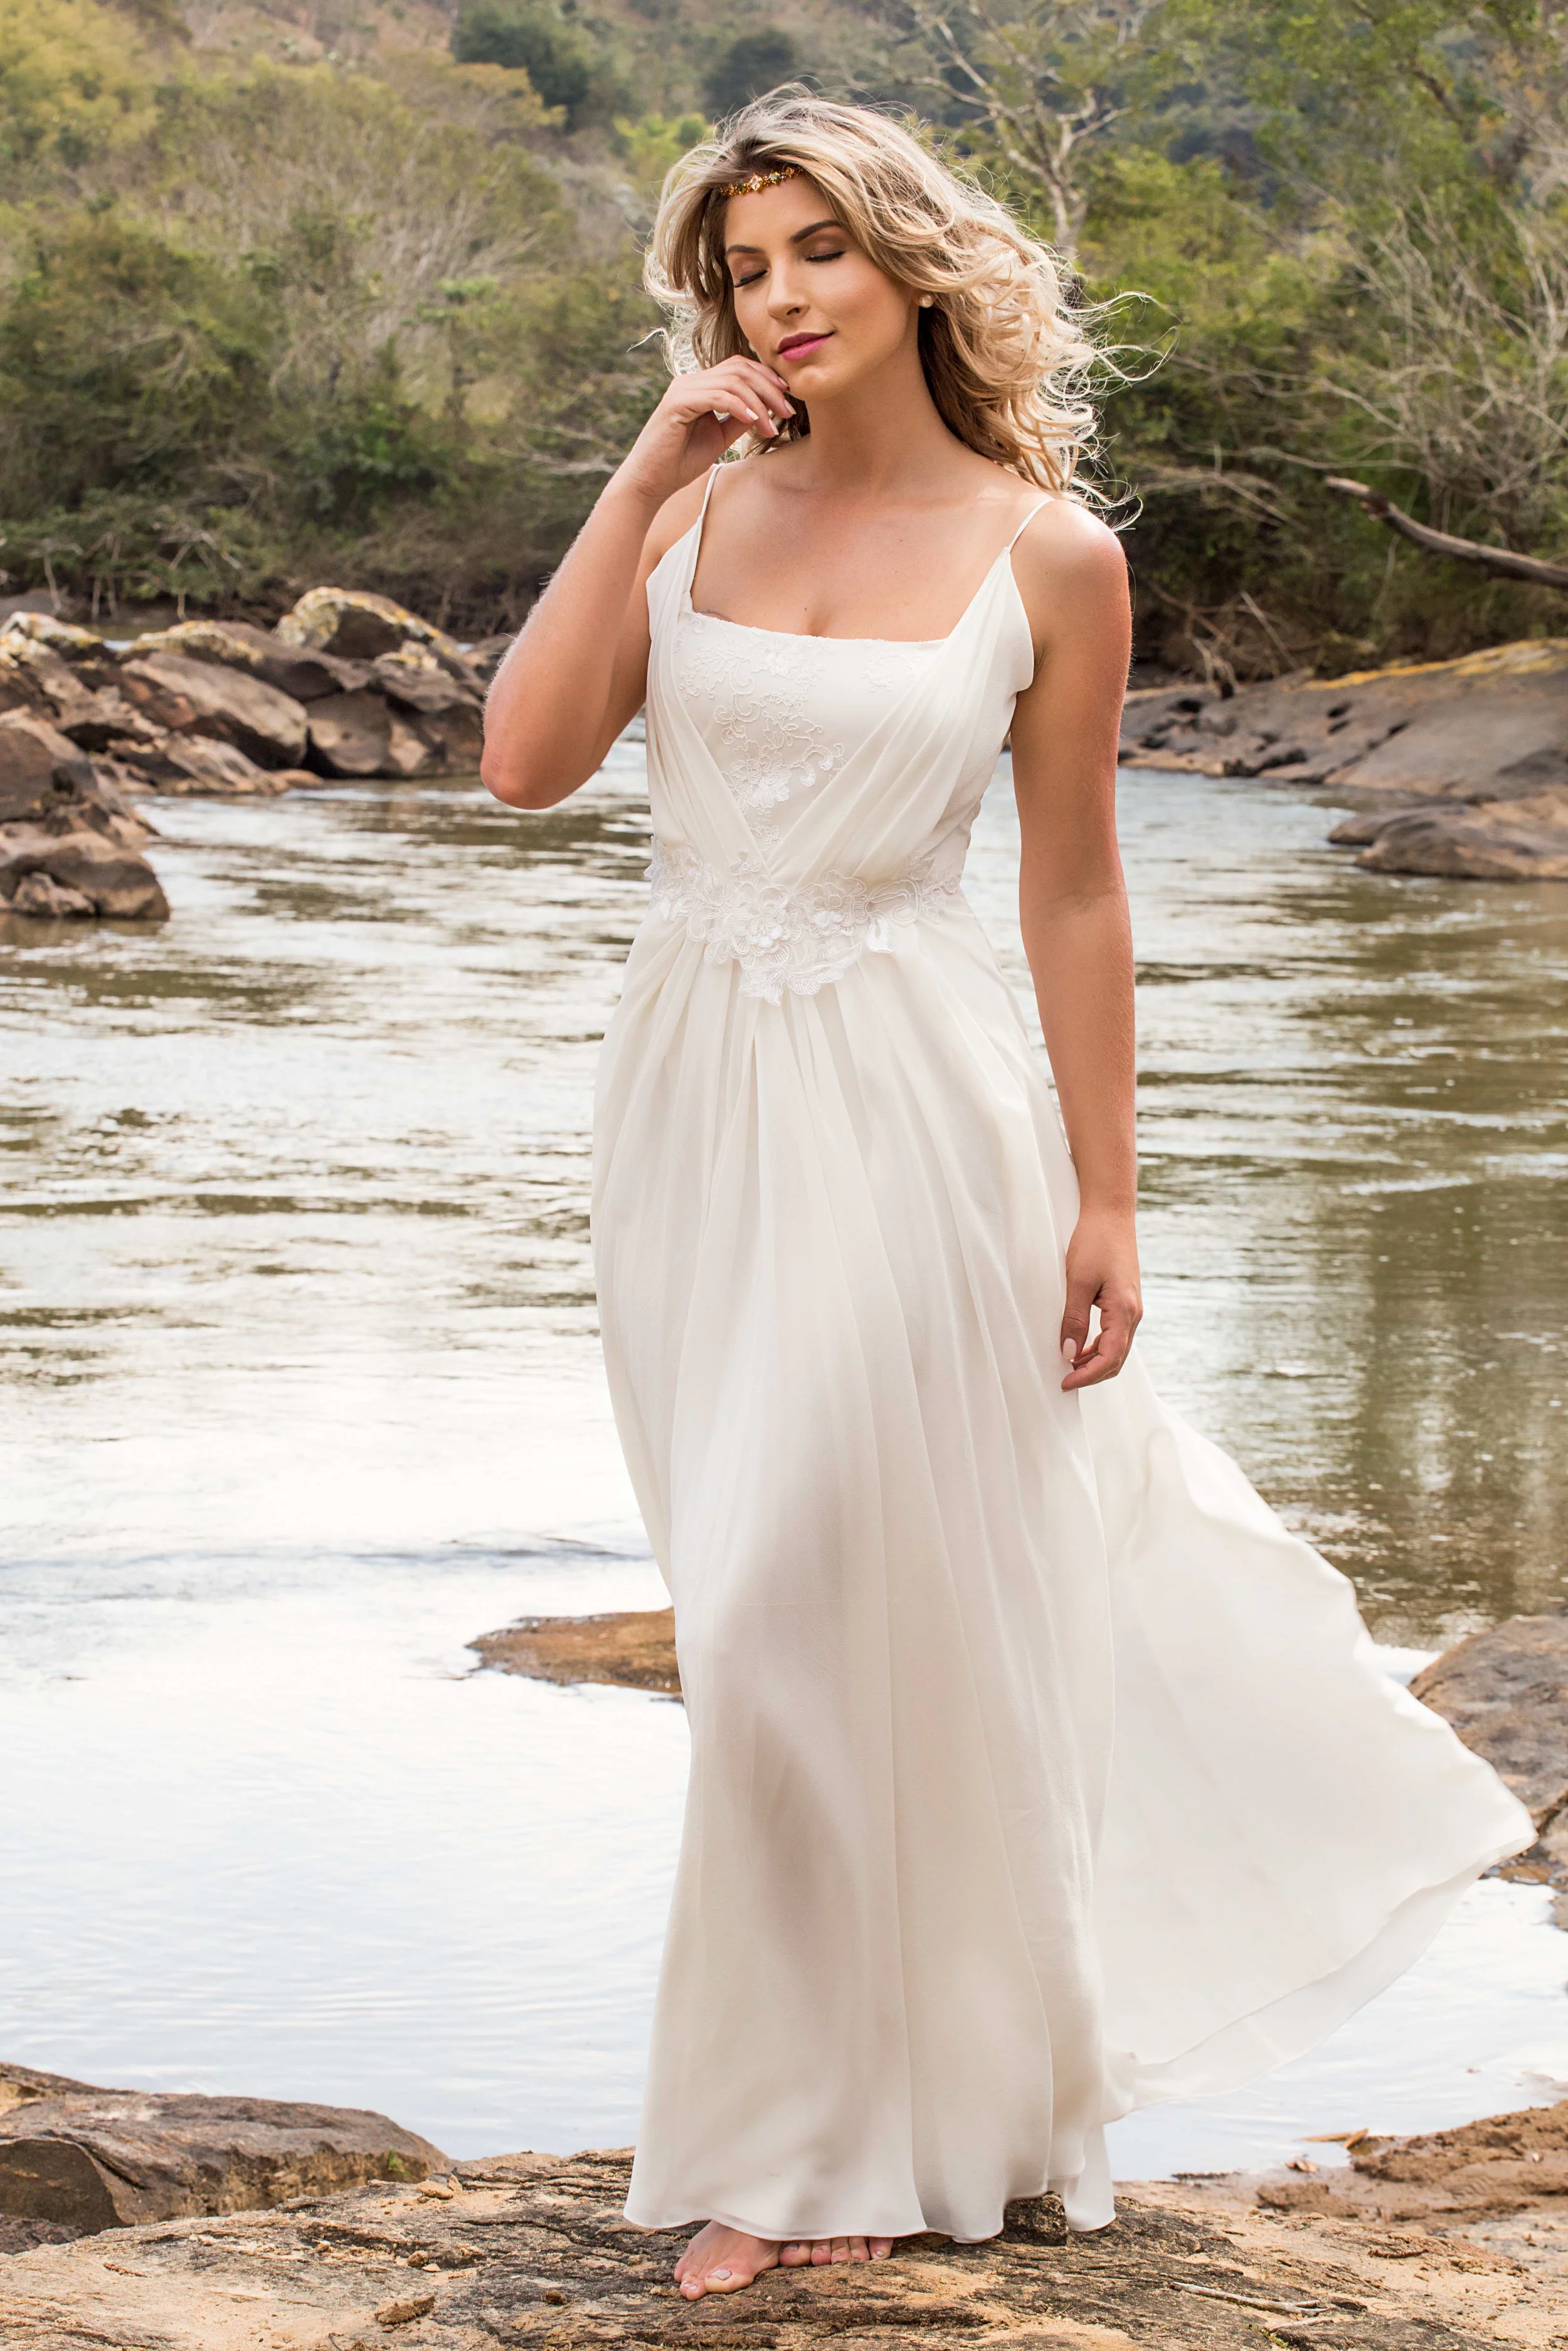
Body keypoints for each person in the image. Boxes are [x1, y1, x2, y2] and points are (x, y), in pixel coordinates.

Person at [481, 88, 1530, 2306]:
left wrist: (1108, 1199)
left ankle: (859, 2133)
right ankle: (858, 2099)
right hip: (687, 1109)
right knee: (760, 1613)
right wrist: (642, 471)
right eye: (744, 266)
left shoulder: (1048, 553)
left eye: (814, 254)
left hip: (916, 1106)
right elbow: (523, 760)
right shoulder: (686, 516)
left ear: (914, 269)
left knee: (810, 1608)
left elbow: (1074, 896)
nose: (776, 298)